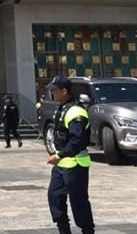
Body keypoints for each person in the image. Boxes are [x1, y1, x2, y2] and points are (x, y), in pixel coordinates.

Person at [45, 76, 95, 234]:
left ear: (64, 91)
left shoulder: (76, 111)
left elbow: (78, 140)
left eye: (54, 90)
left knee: (78, 202)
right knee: (55, 197)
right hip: (62, 164)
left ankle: (87, 231)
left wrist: (59, 155)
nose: (52, 93)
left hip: (76, 164)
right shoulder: (62, 107)